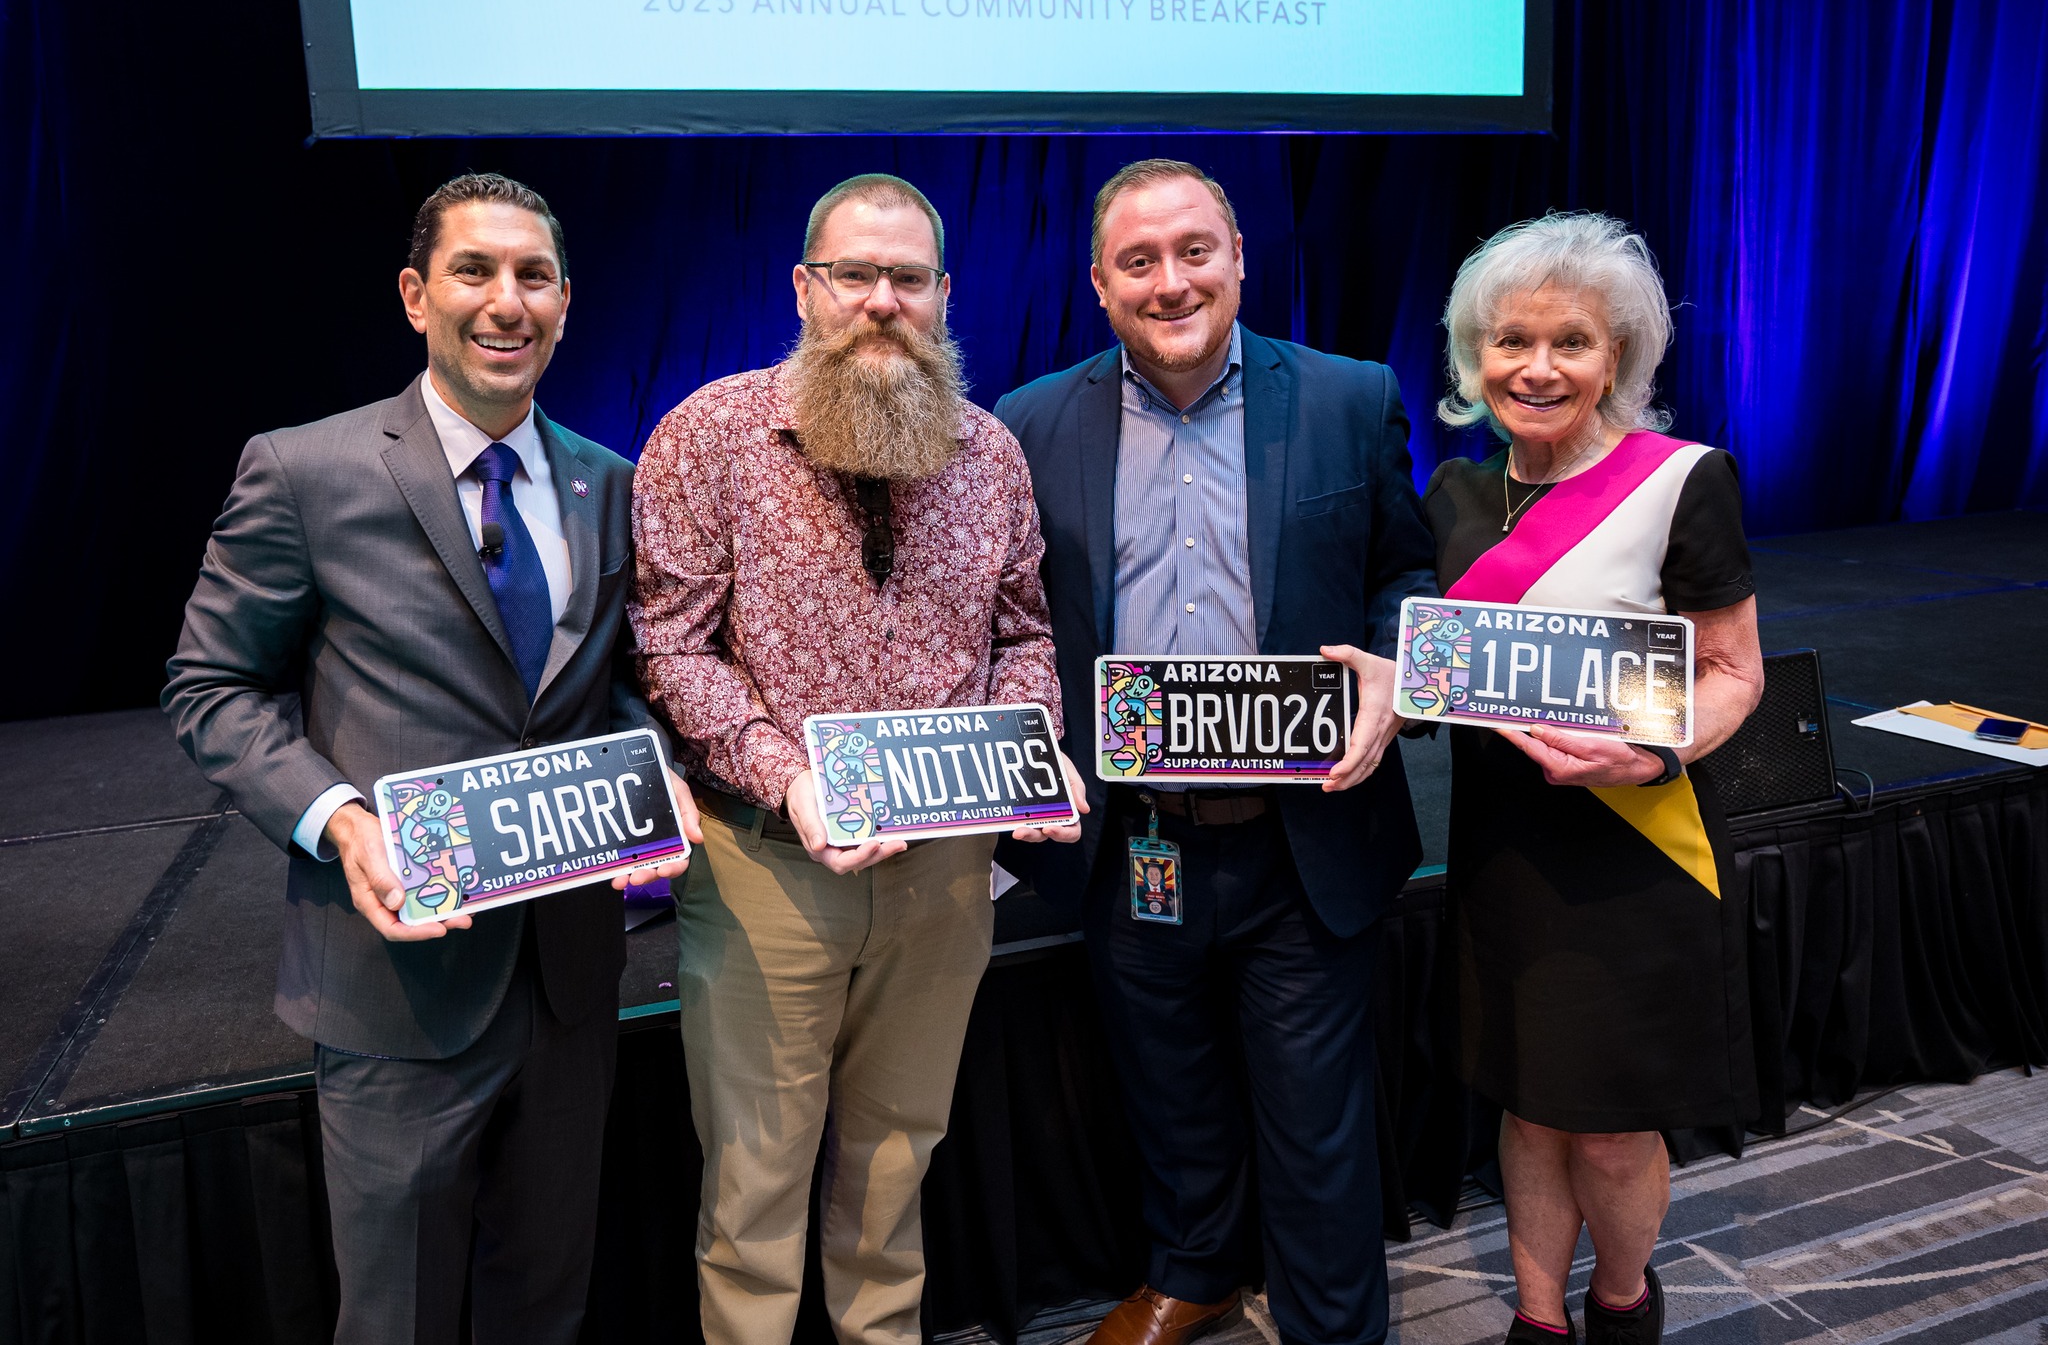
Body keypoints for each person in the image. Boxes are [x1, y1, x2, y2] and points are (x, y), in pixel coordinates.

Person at [163, 173, 692, 1345]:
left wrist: (650, 778)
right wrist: (344, 820)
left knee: (543, 1301)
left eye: (534, 276)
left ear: (566, 304)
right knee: (394, 1313)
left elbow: (613, 691)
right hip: (393, 985)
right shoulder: (305, 471)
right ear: (415, 295)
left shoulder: (610, 482)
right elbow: (208, 687)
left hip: (566, 978)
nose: (506, 302)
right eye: (475, 272)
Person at [630, 172, 1084, 1345]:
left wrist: (1029, 749)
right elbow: (670, 650)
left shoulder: (987, 453)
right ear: (804, 287)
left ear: (941, 294)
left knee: (894, 1164)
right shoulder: (707, 436)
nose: (880, 301)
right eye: (853, 275)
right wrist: (792, 776)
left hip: (942, 876)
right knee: (754, 1184)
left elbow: (1023, 631)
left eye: (908, 278)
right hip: (767, 868)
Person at [994, 158, 1437, 1345]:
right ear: (1098, 283)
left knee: (1315, 1120)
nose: (1170, 280)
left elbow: (1405, 569)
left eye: (1195, 250)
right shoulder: (1028, 423)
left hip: (1303, 838)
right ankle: (1191, 1272)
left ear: (1238, 257)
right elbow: (1005, 613)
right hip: (1135, 843)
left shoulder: (1346, 396)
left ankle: (1333, 1324)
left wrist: (1399, 667)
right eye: (1138, 260)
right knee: (1167, 1091)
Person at [1422, 213, 1764, 1345]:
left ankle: (1621, 1302)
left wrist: (1652, 749)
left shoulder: (1681, 483)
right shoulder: (1455, 503)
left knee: (1612, 1125)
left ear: (1614, 356)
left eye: (1568, 341)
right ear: (1474, 358)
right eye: (1508, 341)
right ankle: (1536, 1319)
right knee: (1526, 1103)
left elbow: (1731, 672)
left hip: (1636, 849)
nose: (1535, 367)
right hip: (1503, 853)